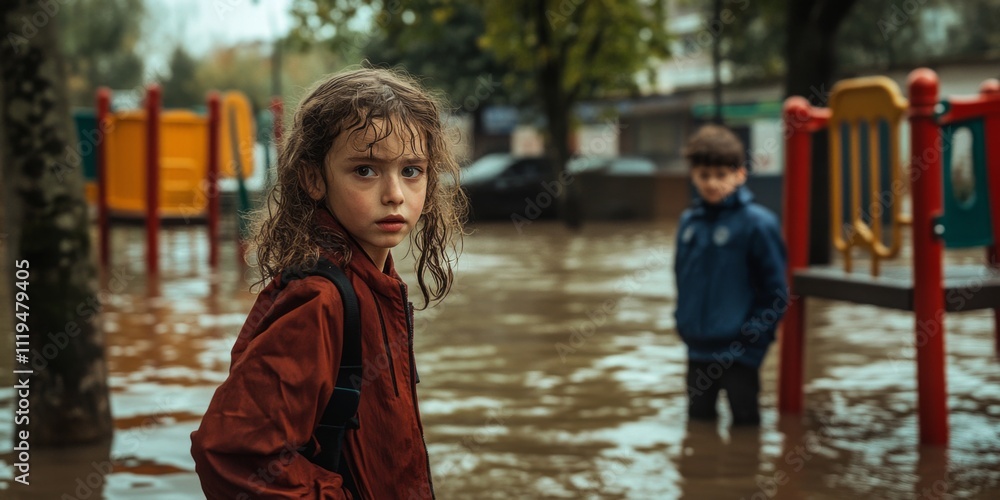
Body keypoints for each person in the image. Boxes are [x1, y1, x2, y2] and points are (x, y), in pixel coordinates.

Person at [190, 67, 467, 498]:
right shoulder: (319, 299)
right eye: (365, 170)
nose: (394, 193)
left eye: (411, 171)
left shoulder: (378, 283)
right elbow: (231, 453)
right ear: (314, 178)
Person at [673, 124, 788, 426]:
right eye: (704, 175)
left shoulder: (758, 224)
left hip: (741, 352)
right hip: (697, 347)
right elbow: (681, 278)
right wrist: (682, 322)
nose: (712, 183)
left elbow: (776, 293)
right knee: (698, 426)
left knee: (746, 426)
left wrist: (753, 338)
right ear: (693, 175)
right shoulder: (689, 223)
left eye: (721, 175)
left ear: (740, 174)